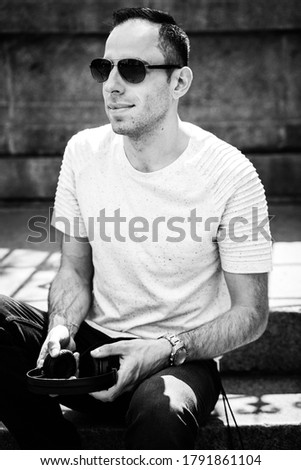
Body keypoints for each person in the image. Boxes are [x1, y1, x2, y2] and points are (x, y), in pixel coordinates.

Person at [0, 7, 272, 450]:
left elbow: (252, 315)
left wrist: (163, 349)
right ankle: (59, 454)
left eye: (132, 69)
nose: (111, 84)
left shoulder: (230, 174)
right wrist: (60, 328)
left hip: (178, 359)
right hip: (94, 352)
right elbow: (74, 271)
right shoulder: (83, 151)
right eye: (104, 68)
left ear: (179, 82)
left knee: (160, 414)